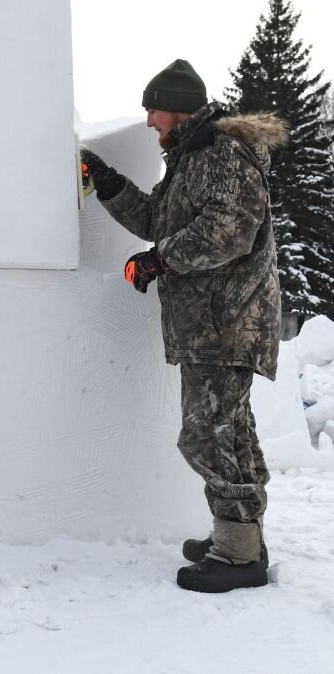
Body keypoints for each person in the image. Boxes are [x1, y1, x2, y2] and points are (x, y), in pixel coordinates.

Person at [80, 60, 287, 593]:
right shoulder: (191, 157)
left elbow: (230, 231)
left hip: (227, 321)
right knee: (230, 432)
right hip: (213, 323)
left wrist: (158, 261)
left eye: (153, 109)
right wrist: (108, 183)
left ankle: (238, 558)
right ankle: (241, 539)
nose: (148, 120)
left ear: (176, 109)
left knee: (205, 434)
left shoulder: (220, 150)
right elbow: (158, 221)